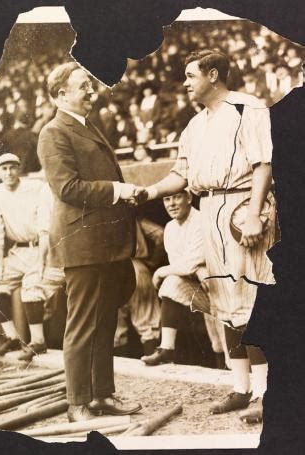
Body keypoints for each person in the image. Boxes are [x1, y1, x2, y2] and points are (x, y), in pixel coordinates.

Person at [136, 49, 277, 424]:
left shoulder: (249, 108)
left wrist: (252, 215)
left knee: (251, 299)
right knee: (225, 302)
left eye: (190, 75)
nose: (185, 83)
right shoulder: (194, 125)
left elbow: (263, 165)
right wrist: (147, 193)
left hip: (242, 204)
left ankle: (266, 392)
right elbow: (181, 175)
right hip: (209, 207)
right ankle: (241, 388)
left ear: (213, 75)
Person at [37, 62, 143, 422]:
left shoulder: (84, 126)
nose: (92, 90)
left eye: (91, 85)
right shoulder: (53, 132)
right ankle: (77, 403)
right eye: (84, 85)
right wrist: (117, 190)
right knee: (83, 325)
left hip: (104, 242)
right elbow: (66, 188)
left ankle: (101, 395)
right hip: (83, 245)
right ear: (60, 93)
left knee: (105, 321)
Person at [0, 153, 64, 360]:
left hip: (42, 249)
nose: (9, 172)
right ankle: (12, 337)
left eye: (12, 167)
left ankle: (38, 341)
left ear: (19, 168)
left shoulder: (36, 187)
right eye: (4, 169)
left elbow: (45, 228)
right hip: (18, 251)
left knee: (32, 286)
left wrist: (41, 261)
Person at [141, 190, 228, 368]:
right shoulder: (170, 228)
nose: (171, 204)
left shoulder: (203, 220)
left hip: (223, 285)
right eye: (167, 199)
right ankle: (166, 348)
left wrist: (159, 272)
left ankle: (236, 379)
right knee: (172, 282)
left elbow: (190, 263)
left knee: (226, 344)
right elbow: (181, 268)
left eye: (177, 197)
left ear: (189, 198)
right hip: (199, 282)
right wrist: (174, 272)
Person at [114, 218, 165, 357]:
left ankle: (120, 372)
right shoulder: (131, 215)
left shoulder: (94, 213)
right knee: (147, 323)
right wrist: (153, 261)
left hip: (110, 271)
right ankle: (151, 361)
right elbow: (160, 234)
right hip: (137, 269)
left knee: (115, 328)